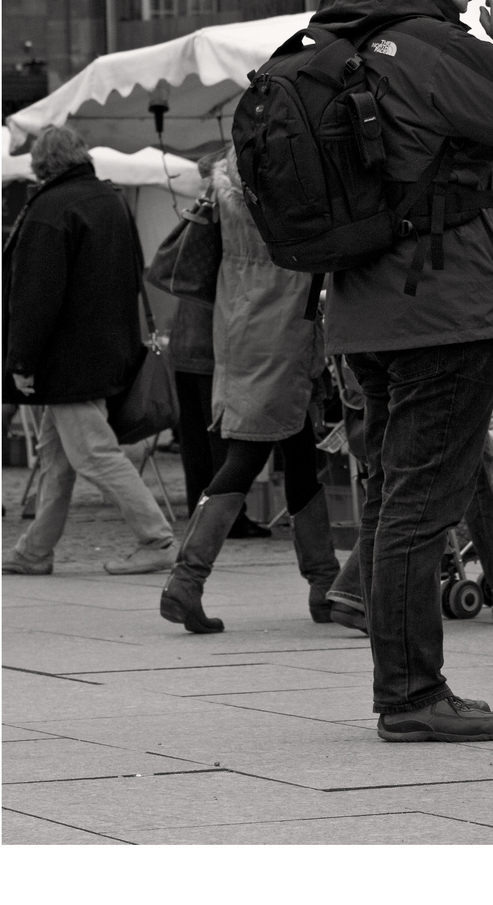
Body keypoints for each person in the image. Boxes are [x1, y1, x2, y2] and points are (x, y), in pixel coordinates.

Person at [316, 0, 493, 742]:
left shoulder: (336, 41)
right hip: (443, 306)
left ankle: (403, 684)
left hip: (362, 310)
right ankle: (412, 696)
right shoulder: (430, 46)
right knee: (422, 507)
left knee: (394, 501)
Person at [158, 152, 340, 633]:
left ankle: (325, 583)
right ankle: (186, 579)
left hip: (237, 316)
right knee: (249, 450)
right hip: (284, 317)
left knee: (298, 448)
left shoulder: (226, 181)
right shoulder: (294, 176)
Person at [1, 125, 178, 576]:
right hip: (106, 349)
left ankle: (156, 538)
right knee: (56, 456)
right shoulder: (109, 199)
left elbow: (34, 295)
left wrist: (21, 361)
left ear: (41, 165)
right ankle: (34, 550)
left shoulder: (49, 209)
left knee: (93, 454)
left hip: (67, 360)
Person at [324, 396, 493, 631]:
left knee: (398, 486)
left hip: (371, 399)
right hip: (428, 381)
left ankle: (355, 594)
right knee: (458, 459)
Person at [165, 152, 269, 540]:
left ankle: (200, 514)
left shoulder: (199, 213)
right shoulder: (229, 218)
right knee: (221, 440)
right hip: (212, 344)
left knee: (195, 441)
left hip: (185, 342)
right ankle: (227, 520)